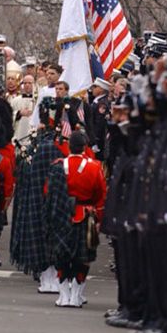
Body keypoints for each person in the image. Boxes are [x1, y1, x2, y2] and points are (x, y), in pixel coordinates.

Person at [46, 127, 106, 307]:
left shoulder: (56, 166)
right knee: (83, 258)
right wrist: (98, 219)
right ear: (85, 147)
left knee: (61, 256)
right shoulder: (94, 168)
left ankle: (64, 295)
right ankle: (76, 296)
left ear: (69, 147)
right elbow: (100, 196)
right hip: (86, 216)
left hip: (61, 217)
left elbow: (48, 193)